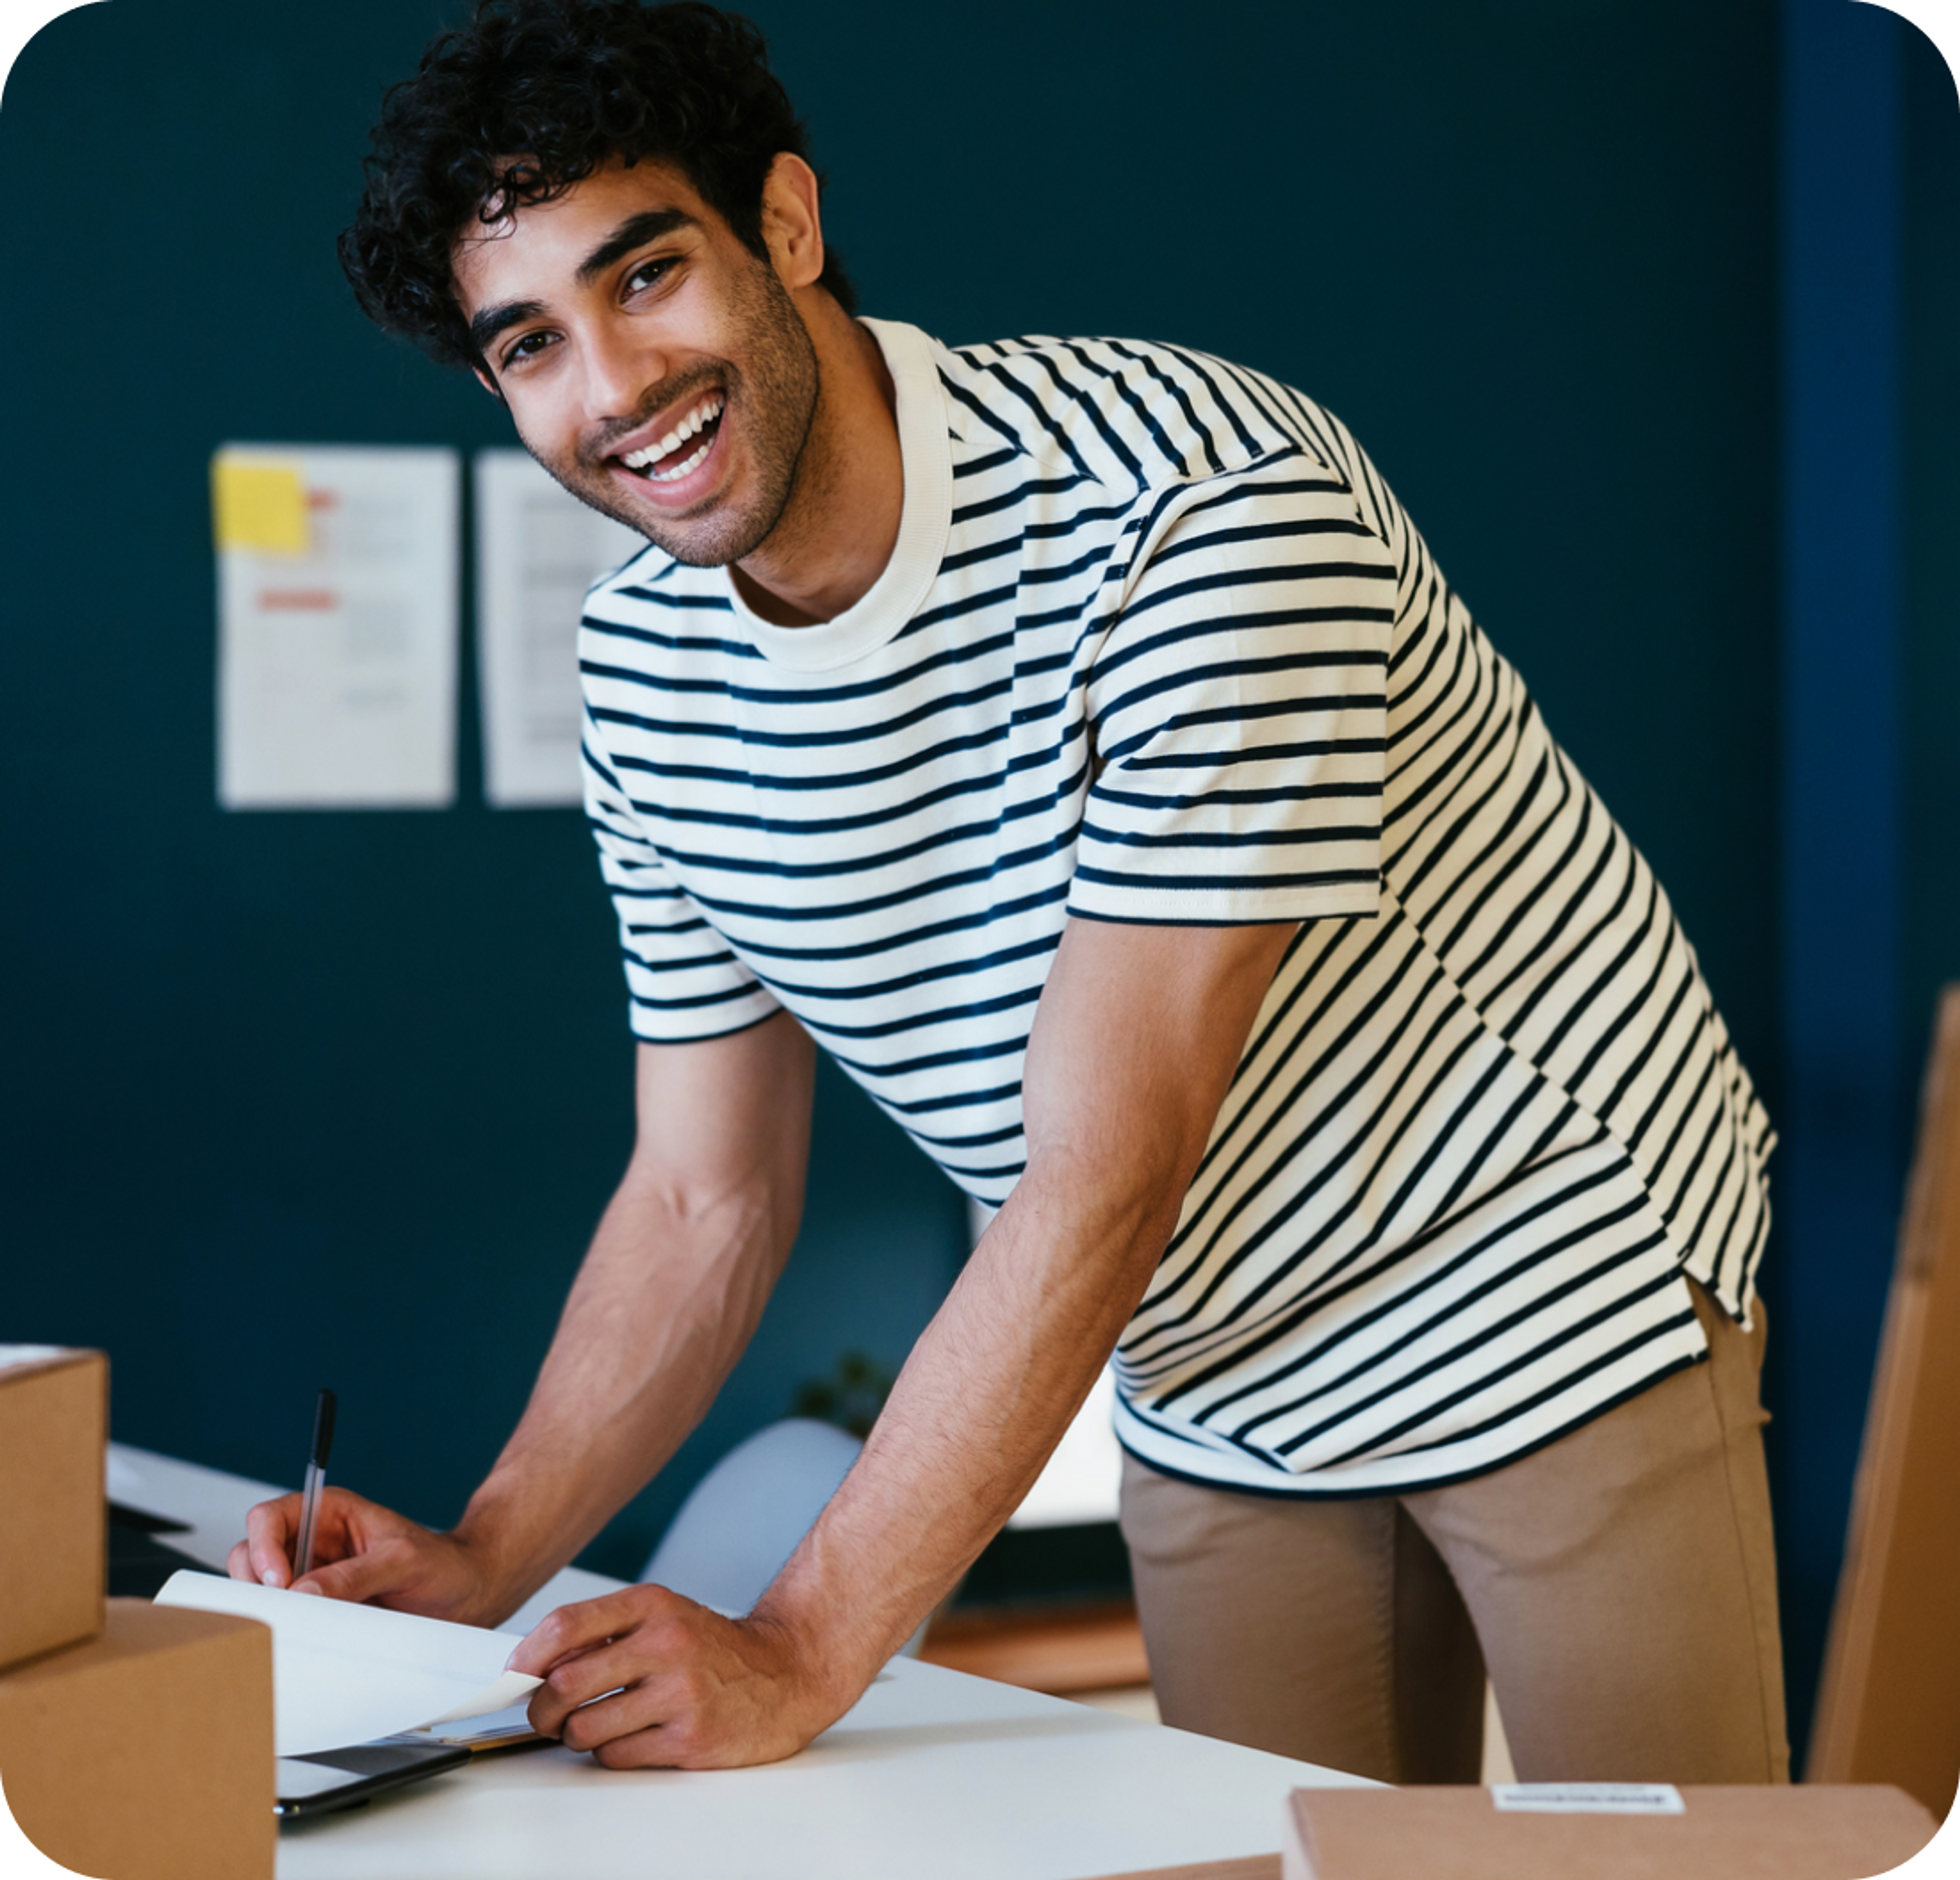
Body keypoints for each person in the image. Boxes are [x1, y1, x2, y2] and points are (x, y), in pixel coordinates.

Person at [232, 0, 1789, 1785]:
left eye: (646, 274)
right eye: (530, 346)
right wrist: (486, 1556)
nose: (612, 387)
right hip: (1208, 1361)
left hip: (1537, 1260)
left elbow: (1108, 1172)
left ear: (788, 228)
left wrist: (801, 1647)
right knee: (1277, 1856)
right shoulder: (638, 666)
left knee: (1664, 1860)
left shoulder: (1201, 509)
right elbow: (700, 1198)